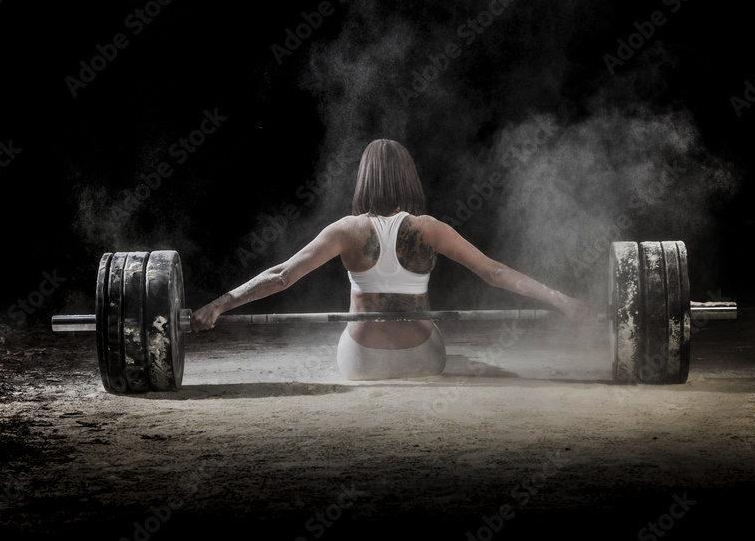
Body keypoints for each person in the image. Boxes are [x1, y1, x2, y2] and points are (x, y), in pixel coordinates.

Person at [191, 139, 597, 379]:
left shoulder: (346, 230)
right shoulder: (430, 229)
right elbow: (493, 273)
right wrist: (563, 301)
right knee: (452, 351)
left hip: (359, 361)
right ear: (409, 177)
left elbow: (281, 277)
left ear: (363, 178)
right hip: (423, 356)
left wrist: (218, 305)